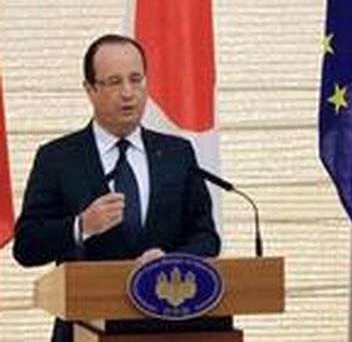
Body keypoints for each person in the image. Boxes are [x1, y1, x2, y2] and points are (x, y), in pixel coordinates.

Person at [13, 34, 220, 342]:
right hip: (86, 330)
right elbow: (27, 246)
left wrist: (168, 259)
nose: (128, 93)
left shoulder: (178, 153)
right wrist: (80, 226)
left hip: (170, 327)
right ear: (90, 90)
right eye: (114, 82)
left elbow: (206, 237)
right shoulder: (58, 158)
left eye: (136, 80)